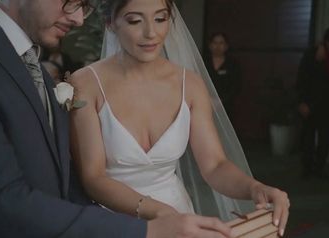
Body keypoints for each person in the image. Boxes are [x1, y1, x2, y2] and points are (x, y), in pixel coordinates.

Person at [0, 0, 231, 237]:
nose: (79, 18)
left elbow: (60, 182)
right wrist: (145, 231)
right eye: (71, 1)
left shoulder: (30, 65)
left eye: (84, 5)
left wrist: (146, 222)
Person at [69, 0, 289, 236]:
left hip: (177, 215)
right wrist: (159, 212)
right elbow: (93, 178)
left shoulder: (190, 84)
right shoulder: (86, 84)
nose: (151, 33)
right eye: (135, 20)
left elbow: (214, 166)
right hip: (114, 220)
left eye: (161, 19)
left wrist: (254, 187)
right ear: (110, 23)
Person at [296, 26, 329, 178]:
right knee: (308, 138)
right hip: (310, 101)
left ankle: (319, 168)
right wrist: (302, 102)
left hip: (328, 104)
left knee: (325, 139)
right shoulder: (313, 54)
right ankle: (307, 168)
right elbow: (302, 78)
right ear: (328, 42)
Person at [206, 32, 241, 121]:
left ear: (226, 46)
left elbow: (236, 86)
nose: (218, 46)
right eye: (215, 43)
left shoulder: (232, 64)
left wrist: (221, 100)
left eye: (221, 43)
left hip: (226, 107)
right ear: (210, 45)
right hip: (205, 104)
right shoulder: (203, 62)